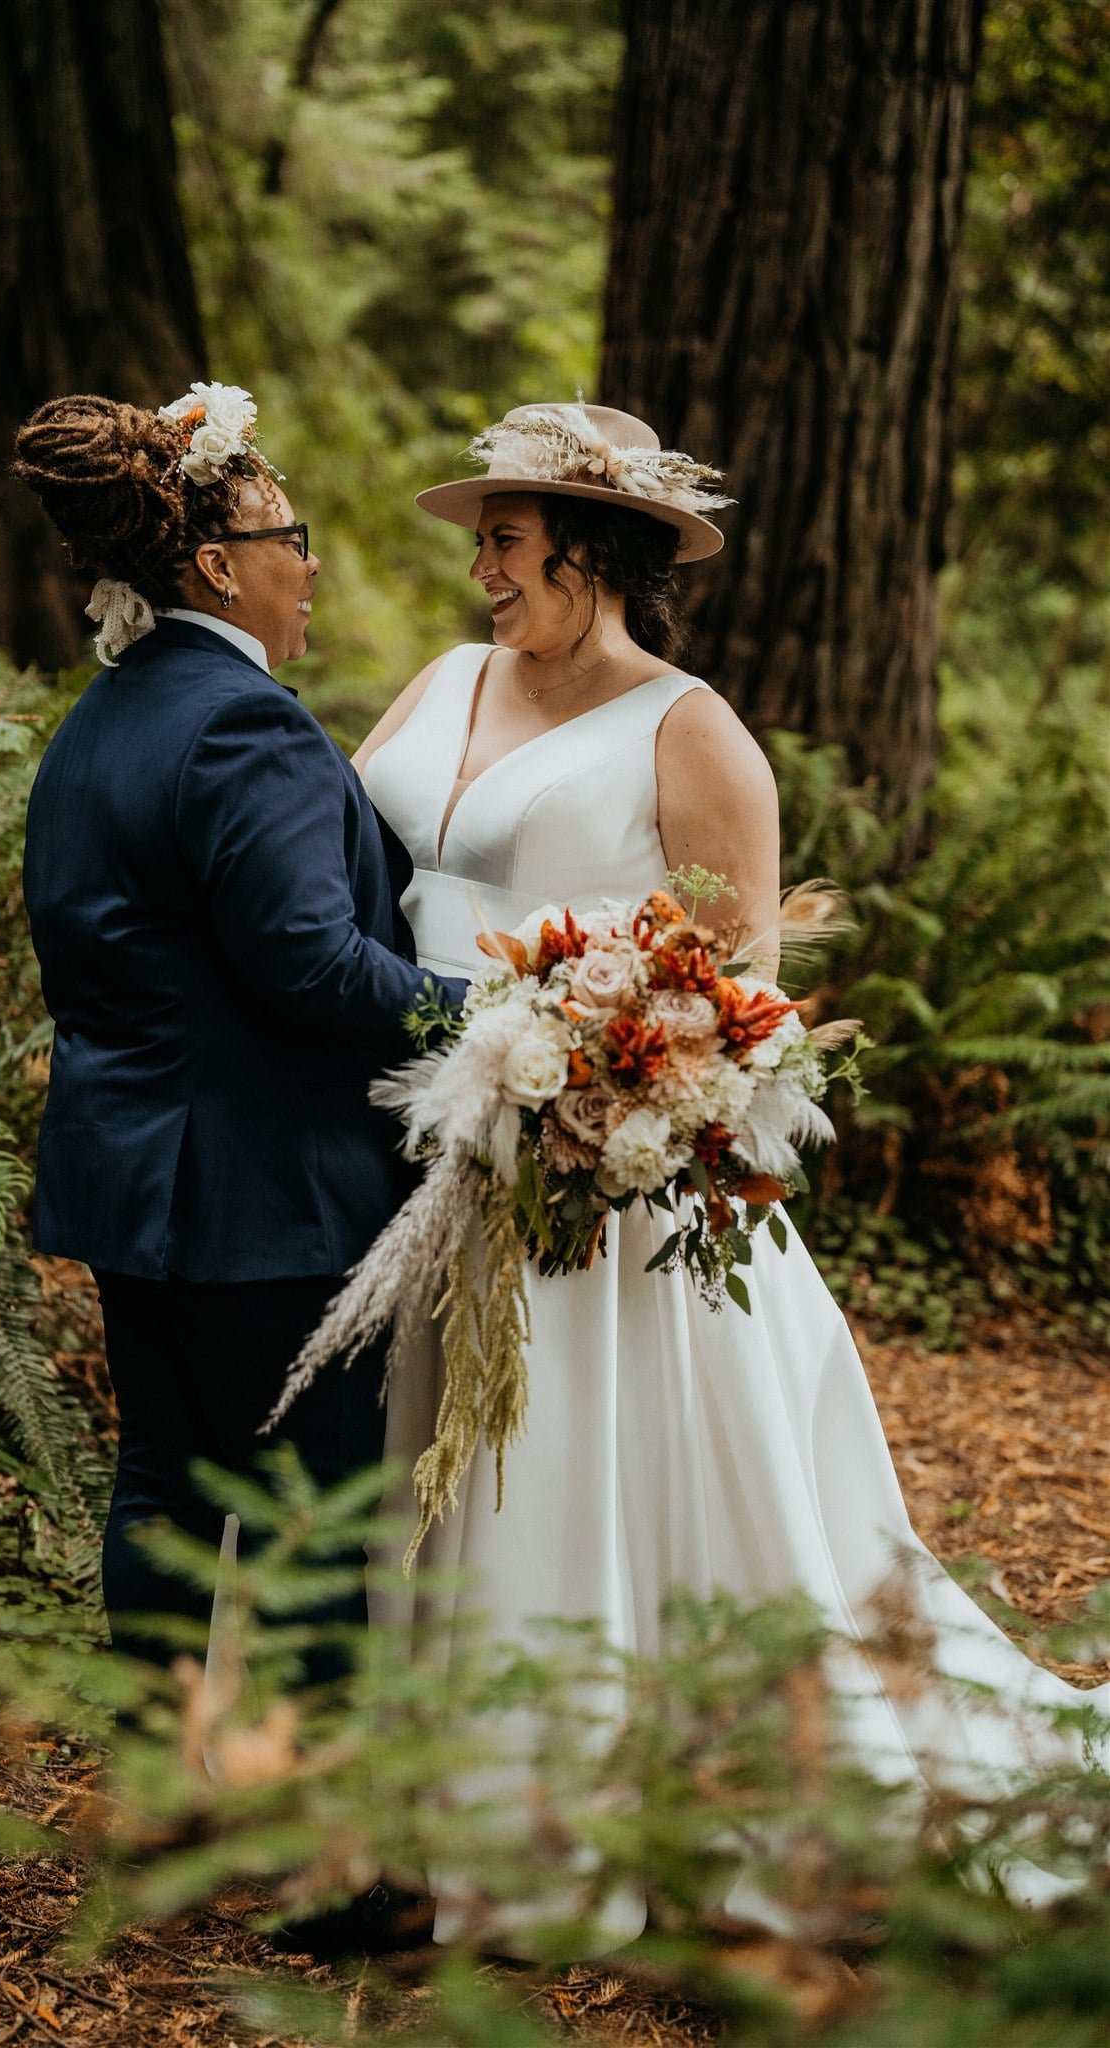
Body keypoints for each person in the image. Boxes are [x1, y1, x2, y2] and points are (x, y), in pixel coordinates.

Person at [355, 400, 1109, 1940]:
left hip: (589, 1183)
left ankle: (596, 1806)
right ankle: (409, 1797)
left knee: (570, 1463)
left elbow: (737, 997)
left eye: (503, 537)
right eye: (484, 538)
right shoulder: (439, 681)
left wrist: (585, 1096)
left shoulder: (685, 727)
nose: (480, 567)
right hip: (399, 1140)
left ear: (591, 546)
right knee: (422, 1467)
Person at [13, 381, 464, 1678]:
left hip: (127, 1177)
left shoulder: (95, 725)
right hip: (262, 1193)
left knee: (161, 1481)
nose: (308, 564)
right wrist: (500, 1014)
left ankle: (162, 1790)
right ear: (217, 565)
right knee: (309, 1512)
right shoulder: (248, 723)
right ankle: (322, 1854)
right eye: (289, 538)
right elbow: (312, 966)